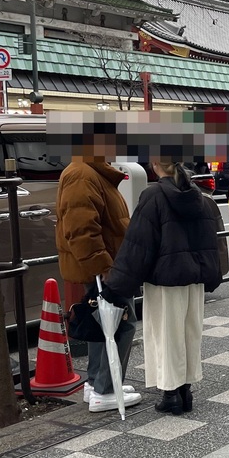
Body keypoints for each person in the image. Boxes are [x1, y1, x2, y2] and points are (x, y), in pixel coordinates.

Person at [104, 161, 221, 415]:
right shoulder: (198, 196)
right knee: (190, 334)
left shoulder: (153, 195)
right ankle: (185, 390)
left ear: (155, 165)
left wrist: (116, 285)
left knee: (165, 335)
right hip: (194, 278)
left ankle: (171, 394)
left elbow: (139, 245)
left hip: (165, 278)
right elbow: (210, 239)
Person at [55, 158, 141, 413]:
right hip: (104, 267)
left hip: (102, 266)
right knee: (122, 323)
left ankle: (98, 383)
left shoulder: (86, 171)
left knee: (102, 323)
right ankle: (105, 389)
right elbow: (82, 230)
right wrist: (103, 267)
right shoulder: (83, 175)